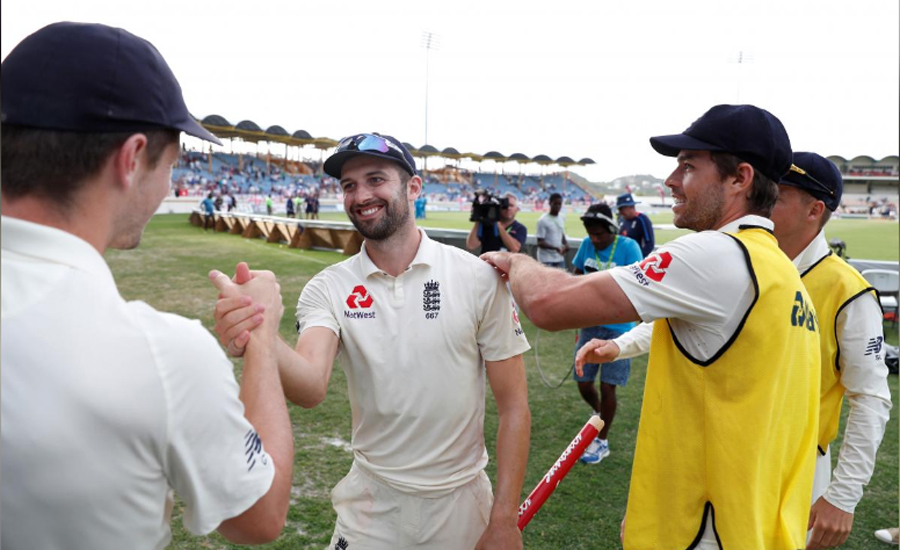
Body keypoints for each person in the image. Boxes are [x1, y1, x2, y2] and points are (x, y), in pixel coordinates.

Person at [0, 22, 294, 549]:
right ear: (132, 159)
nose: (166, 186)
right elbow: (260, 516)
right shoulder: (162, 354)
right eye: (172, 164)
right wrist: (262, 336)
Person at [482, 104, 821, 550]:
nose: (671, 181)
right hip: (752, 524)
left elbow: (547, 304)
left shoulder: (713, 254)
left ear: (740, 178)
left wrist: (514, 260)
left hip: (705, 529)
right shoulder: (782, 272)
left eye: (688, 166)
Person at [214, 133, 531, 549]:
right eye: (349, 185)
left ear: (413, 188)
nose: (361, 195)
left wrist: (505, 519)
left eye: (376, 179)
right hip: (371, 506)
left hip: (461, 502)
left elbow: (514, 407)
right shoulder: (328, 286)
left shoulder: (478, 277)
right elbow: (310, 385)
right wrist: (259, 331)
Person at [770, 152, 891, 549]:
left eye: (776, 195)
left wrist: (842, 495)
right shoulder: (752, 262)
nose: (761, 201)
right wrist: (621, 344)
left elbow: (871, 397)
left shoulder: (848, 290)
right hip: (731, 452)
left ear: (815, 210)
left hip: (798, 467)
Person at [569, 203, 642, 465]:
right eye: (591, 234)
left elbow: (638, 288)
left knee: (607, 386)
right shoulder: (587, 245)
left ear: (612, 229)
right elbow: (576, 278)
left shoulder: (629, 247)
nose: (594, 239)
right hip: (589, 325)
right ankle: (599, 414)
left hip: (618, 330)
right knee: (583, 382)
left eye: (599, 234)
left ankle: (602, 440)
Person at [616, 192, 655, 257]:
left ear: (631, 207)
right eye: (619, 209)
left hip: (635, 259)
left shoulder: (642, 219)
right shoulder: (620, 219)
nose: (620, 212)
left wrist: (639, 257)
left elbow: (649, 243)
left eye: (622, 209)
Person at [536, 192, 569, 268]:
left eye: (559, 204)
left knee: (561, 279)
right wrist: (555, 248)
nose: (558, 206)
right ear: (550, 203)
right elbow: (540, 242)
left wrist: (566, 244)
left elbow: (561, 232)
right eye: (555, 204)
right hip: (546, 259)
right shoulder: (542, 220)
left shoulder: (562, 217)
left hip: (559, 257)